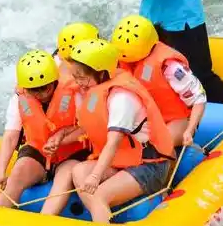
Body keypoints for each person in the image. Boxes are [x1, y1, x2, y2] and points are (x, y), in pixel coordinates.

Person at [68, 39, 175, 224]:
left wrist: (95, 176)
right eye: (75, 77)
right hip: (121, 161)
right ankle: (103, 217)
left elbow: (113, 142)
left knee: (99, 195)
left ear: (101, 73)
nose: (79, 83)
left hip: (148, 165)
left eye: (82, 77)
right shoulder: (97, 90)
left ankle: (101, 215)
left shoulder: (122, 97)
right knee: (78, 171)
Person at [0, 49, 89, 214]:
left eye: (46, 88)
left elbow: (88, 127)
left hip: (72, 152)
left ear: (54, 81)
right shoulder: (18, 99)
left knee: (63, 179)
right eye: (35, 90)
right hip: (38, 150)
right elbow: (10, 136)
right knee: (18, 173)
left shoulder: (75, 92)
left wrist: (62, 139)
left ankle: (45, 218)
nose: (42, 94)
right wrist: (0, 173)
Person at [111, 14, 206, 146]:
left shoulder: (170, 66)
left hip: (174, 120)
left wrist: (190, 130)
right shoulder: (119, 62)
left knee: (163, 143)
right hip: (142, 120)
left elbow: (198, 97)